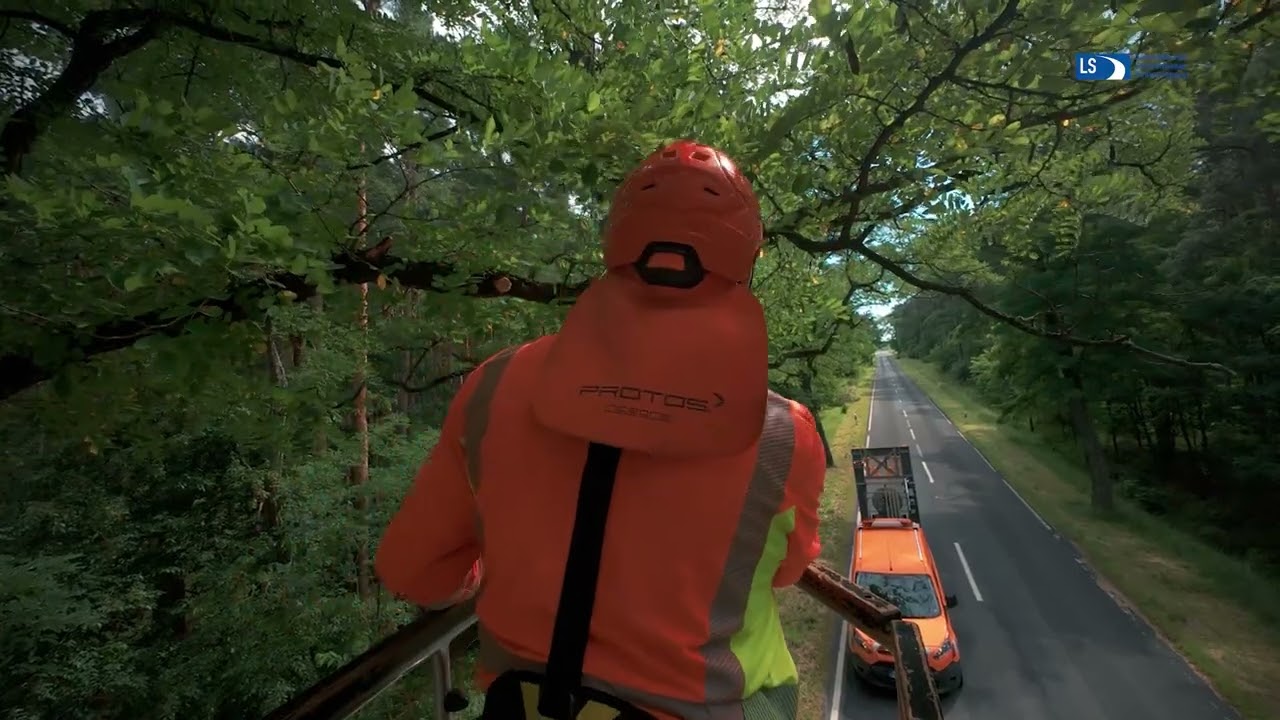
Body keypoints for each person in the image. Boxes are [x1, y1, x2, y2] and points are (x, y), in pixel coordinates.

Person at [374, 140, 827, 720]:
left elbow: (412, 571)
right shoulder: (784, 435)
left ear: (615, 241)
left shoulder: (495, 384)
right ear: (747, 256)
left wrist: (498, 573)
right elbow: (787, 571)